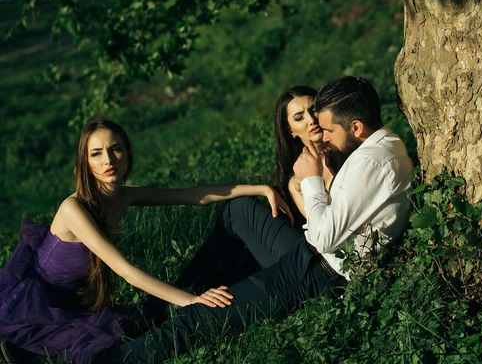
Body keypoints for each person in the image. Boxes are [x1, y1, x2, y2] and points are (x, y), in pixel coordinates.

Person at [99, 76, 414, 363]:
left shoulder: (369, 161)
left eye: (329, 129)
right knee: (238, 220)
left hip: (321, 275)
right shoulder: (379, 149)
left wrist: (312, 181)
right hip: (313, 263)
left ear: (356, 127)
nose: (324, 134)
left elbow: (321, 237)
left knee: (201, 318)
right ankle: (172, 304)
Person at [0, 119, 291, 364]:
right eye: (97, 154)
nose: (108, 161)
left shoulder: (124, 195)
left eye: (115, 149)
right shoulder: (73, 209)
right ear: (85, 163)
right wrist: (191, 301)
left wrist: (260, 188)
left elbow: (191, 196)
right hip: (41, 304)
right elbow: (126, 271)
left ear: (127, 152)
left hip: (76, 301)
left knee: (139, 321)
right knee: (99, 344)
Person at [273, 85, 335, 228]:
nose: (311, 119)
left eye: (313, 110)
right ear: (290, 131)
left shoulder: (346, 146)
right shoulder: (295, 179)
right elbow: (319, 227)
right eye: (299, 118)